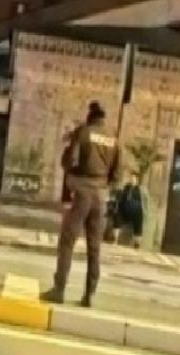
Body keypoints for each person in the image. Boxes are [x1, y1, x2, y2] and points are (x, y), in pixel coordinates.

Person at [41, 101, 121, 308]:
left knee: (67, 241)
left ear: (90, 115)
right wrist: (104, 185)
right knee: (94, 247)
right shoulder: (113, 138)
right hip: (100, 196)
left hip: (82, 192)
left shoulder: (83, 132)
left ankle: (59, 289)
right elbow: (117, 173)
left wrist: (68, 159)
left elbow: (70, 161)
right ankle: (89, 294)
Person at [117, 172, 145, 248]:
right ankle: (115, 238)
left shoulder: (140, 189)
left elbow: (143, 201)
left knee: (138, 220)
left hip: (136, 210)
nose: (132, 180)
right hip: (125, 209)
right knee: (118, 215)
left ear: (137, 180)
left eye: (134, 178)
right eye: (131, 178)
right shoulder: (126, 187)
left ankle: (137, 242)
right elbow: (121, 198)